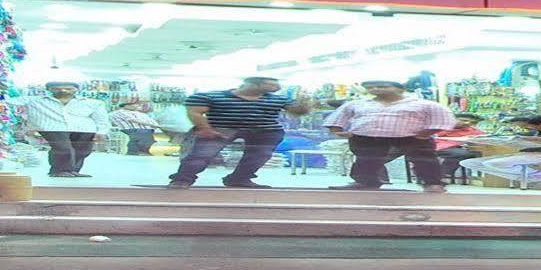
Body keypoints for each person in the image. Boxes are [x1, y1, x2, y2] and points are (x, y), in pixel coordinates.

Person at [168, 77, 314, 189]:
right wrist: (204, 129)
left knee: (259, 156)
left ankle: (239, 179)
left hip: (265, 130)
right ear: (252, 83)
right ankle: (182, 179)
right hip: (222, 128)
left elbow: (298, 112)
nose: (278, 87)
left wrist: (305, 103)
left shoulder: (279, 99)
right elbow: (195, 112)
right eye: (271, 84)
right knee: (201, 155)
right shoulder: (212, 96)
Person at [325, 81, 457, 192]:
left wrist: (426, 133)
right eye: (370, 87)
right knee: (366, 160)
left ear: (400, 89)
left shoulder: (424, 104)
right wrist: (337, 130)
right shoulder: (357, 103)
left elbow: (444, 119)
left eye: (382, 86)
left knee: (424, 159)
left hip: (412, 136)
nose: (375, 89)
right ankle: (365, 182)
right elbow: (338, 117)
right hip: (367, 136)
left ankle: (433, 183)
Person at [16, 82, 110, 178]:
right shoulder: (34, 101)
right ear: (49, 89)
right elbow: (11, 100)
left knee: (83, 150)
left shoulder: (93, 103)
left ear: (76, 89)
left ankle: (73, 170)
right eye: (57, 89)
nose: (63, 91)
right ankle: (59, 171)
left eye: (68, 89)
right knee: (62, 148)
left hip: (85, 129)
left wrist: (101, 131)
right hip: (53, 128)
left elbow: (101, 118)